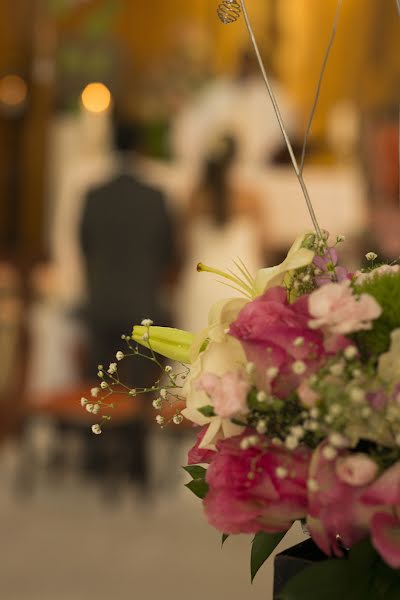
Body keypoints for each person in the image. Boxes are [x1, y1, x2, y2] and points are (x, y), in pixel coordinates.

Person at [79, 116, 176, 494]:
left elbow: (84, 245)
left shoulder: (93, 194)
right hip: (143, 305)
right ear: (140, 149)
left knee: (100, 378)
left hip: (100, 305)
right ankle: (136, 457)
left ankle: (97, 456)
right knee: (138, 384)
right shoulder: (155, 196)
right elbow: (167, 251)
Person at [176, 135, 267, 333]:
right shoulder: (251, 198)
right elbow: (264, 245)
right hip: (241, 283)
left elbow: (182, 245)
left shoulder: (194, 198)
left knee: (197, 350)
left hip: (201, 283)